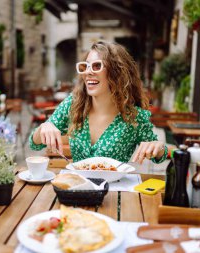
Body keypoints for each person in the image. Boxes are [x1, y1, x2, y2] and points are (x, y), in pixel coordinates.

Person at [30, 41, 167, 164]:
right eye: (86, 66)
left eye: (96, 66)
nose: (88, 72)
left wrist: (158, 146)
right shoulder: (73, 104)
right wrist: (44, 127)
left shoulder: (134, 118)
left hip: (114, 189)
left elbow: (159, 156)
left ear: (117, 73)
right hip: (78, 187)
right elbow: (34, 143)